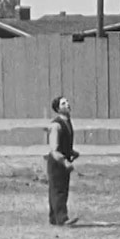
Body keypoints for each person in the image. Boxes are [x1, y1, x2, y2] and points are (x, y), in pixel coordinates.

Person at [46, 95, 79, 226]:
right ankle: (62, 218)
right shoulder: (56, 125)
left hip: (64, 159)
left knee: (60, 189)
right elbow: (54, 149)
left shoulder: (67, 122)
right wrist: (65, 162)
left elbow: (64, 144)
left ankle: (54, 218)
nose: (67, 104)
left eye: (67, 102)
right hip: (57, 162)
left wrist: (72, 152)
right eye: (63, 103)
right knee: (58, 190)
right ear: (58, 109)